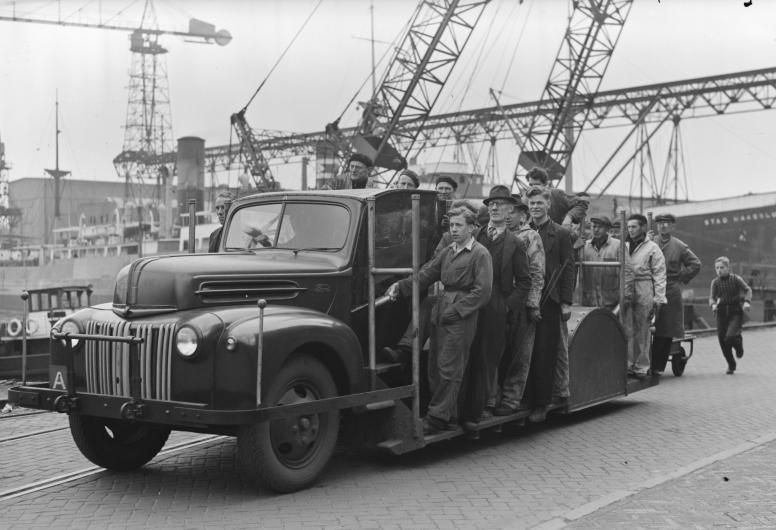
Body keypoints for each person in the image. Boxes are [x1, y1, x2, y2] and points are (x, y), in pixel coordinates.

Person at [386, 207, 492, 435]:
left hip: (460, 314)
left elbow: (482, 292)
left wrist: (456, 311)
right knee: (434, 365)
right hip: (442, 310)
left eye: (459, 225)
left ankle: (437, 417)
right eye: (451, 225)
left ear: (472, 227)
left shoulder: (480, 253)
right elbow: (426, 274)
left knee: (449, 368)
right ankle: (449, 416)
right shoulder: (448, 252)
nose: (453, 230)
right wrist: (401, 286)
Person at [459, 186, 530, 429]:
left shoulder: (516, 244)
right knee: (467, 355)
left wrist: (506, 307)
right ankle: (465, 409)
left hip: (496, 307)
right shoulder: (476, 235)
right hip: (471, 304)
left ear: (511, 209)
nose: (495, 208)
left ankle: (482, 409)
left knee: (489, 358)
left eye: (500, 204)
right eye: (491, 204)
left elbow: (524, 282)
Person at [524, 186, 574, 423]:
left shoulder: (561, 234)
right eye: (531, 203)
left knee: (545, 352)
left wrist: (566, 301)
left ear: (548, 205)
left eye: (539, 203)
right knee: (524, 352)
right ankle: (525, 399)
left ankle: (541, 404)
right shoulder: (522, 231)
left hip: (550, 300)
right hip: (525, 298)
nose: (535, 207)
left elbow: (568, 269)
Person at [496, 195, 545, 415]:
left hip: (522, 303)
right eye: (505, 211)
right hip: (500, 301)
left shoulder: (530, 237)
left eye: (512, 212)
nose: (507, 216)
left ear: (523, 215)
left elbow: (536, 272)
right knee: (499, 351)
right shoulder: (497, 234)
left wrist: (533, 304)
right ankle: (495, 397)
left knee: (519, 353)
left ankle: (511, 399)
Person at [650, 213, 701, 375]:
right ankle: (643, 363)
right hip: (649, 288)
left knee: (665, 331)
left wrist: (681, 277)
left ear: (673, 226)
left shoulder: (679, 246)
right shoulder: (650, 242)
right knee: (645, 328)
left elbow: (695, 264)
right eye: (660, 223)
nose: (663, 226)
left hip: (670, 291)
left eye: (666, 223)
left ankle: (657, 367)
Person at [622, 213, 667, 379]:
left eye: (634, 227)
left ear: (643, 227)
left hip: (644, 286)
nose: (630, 230)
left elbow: (660, 274)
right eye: (628, 227)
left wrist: (659, 298)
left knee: (643, 328)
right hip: (626, 286)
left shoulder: (652, 248)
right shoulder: (623, 245)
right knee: (626, 327)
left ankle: (641, 366)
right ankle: (627, 364)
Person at [709, 256, 752, 374]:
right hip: (721, 313)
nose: (719, 270)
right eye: (717, 268)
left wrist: (747, 302)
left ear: (728, 268)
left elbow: (748, 289)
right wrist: (712, 304)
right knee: (723, 341)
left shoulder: (735, 279)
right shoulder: (715, 282)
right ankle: (731, 364)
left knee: (730, 337)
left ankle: (738, 345)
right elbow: (712, 297)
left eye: (722, 267)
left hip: (735, 312)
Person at [581, 215, 621, 310]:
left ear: (607, 229)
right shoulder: (584, 246)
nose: (596, 230)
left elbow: (627, 274)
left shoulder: (618, 246)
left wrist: (623, 301)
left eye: (600, 227)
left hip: (612, 303)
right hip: (589, 303)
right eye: (594, 226)